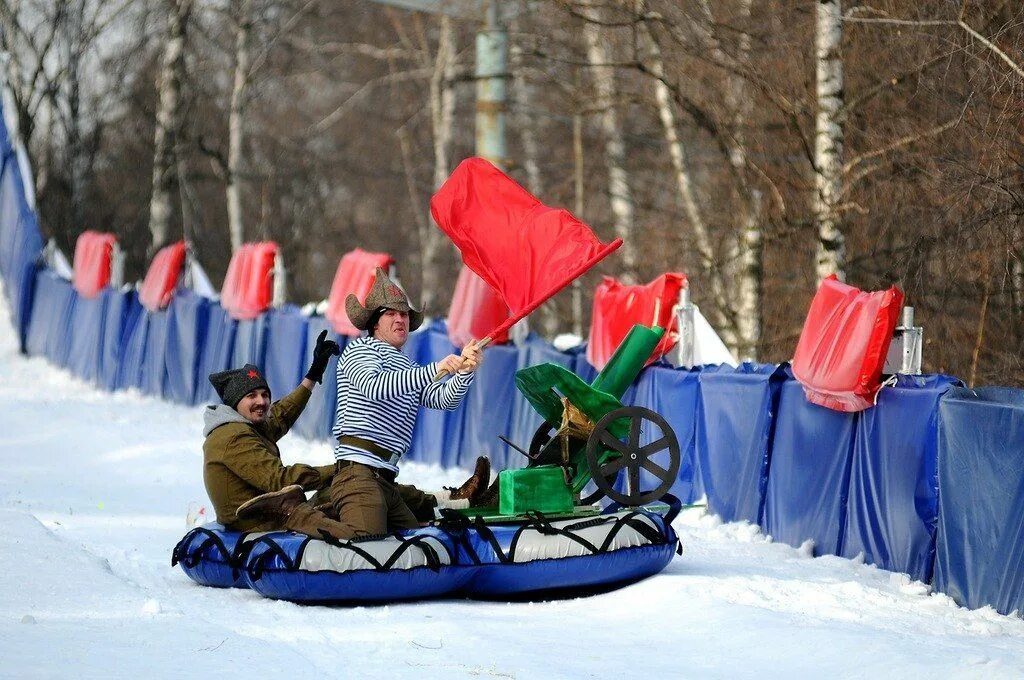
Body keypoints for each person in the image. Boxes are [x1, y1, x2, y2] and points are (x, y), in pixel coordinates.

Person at [325, 267, 491, 535]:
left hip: (386, 477)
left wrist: (464, 373)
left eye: (403, 314)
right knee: (371, 548)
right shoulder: (360, 351)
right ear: (374, 323)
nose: (400, 319)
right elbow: (374, 387)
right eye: (391, 313)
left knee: (419, 547)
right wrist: (433, 370)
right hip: (358, 473)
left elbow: (442, 400)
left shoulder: (405, 364)